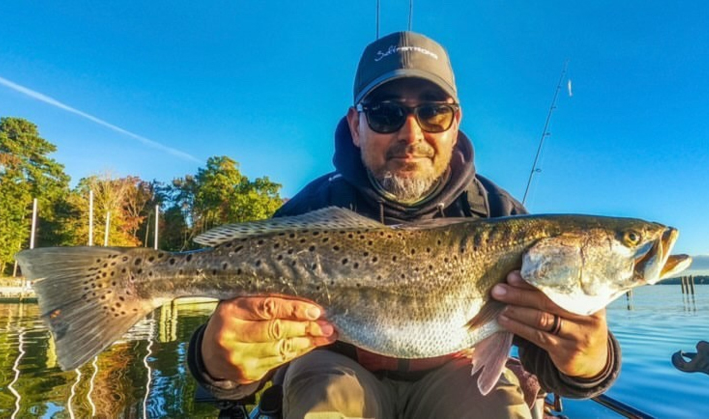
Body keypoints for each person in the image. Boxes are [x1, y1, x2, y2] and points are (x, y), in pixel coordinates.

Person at [188, 31, 620, 419]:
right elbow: (238, 362)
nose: (411, 134)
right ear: (356, 126)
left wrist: (590, 358)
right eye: (385, 112)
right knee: (322, 401)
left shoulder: (503, 215)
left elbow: (557, 365)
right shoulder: (306, 213)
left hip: (461, 374)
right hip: (332, 367)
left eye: (433, 113)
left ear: (455, 125)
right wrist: (216, 362)